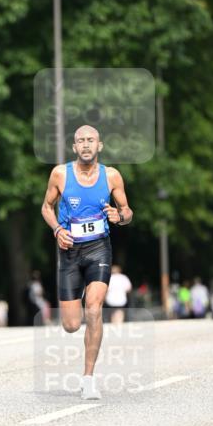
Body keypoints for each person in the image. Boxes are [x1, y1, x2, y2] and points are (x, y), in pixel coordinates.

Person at [41, 124, 133, 401]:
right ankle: (76, 302)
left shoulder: (111, 176)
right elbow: (46, 207)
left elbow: (127, 211)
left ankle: (88, 378)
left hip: (98, 249)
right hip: (70, 250)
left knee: (94, 309)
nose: (85, 144)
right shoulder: (60, 174)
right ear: (74, 147)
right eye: (80, 140)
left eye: (90, 140)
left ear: (99, 145)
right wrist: (57, 229)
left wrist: (121, 217)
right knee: (71, 324)